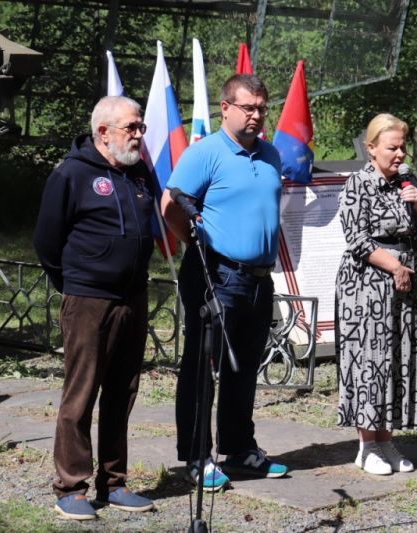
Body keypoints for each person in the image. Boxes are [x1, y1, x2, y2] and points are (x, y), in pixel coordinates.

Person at [161, 74, 288, 492]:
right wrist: (201, 249)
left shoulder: (270, 155)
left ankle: (238, 448)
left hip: (258, 279)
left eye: (262, 108)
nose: (256, 115)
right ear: (226, 108)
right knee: (203, 367)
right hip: (216, 274)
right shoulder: (206, 153)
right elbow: (171, 206)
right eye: (248, 107)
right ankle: (197, 456)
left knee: (243, 367)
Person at [33, 96, 156, 520]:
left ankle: (115, 482)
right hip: (88, 299)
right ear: (103, 132)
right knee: (81, 393)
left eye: (140, 126)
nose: (140, 134)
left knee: (122, 393)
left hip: (132, 297)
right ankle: (70, 486)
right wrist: (75, 286)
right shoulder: (72, 174)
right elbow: (47, 242)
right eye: (131, 128)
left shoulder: (140, 172)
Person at [335, 113, 417, 475]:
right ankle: (367, 446)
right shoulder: (357, 185)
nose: (399, 154)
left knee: (398, 357)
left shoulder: (407, 184)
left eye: (402, 147)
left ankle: (387, 440)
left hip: (405, 284)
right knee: (370, 360)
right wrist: (394, 267)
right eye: (392, 147)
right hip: (367, 285)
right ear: (372, 148)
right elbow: (357, 240)